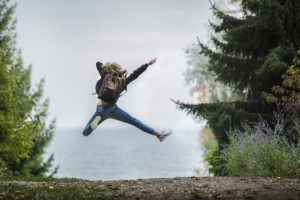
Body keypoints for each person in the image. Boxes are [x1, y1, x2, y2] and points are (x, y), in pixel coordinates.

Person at [82, 58, 171, 142]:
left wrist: (107, 66)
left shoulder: (105, 74)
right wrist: (148, 64)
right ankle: (159, 135)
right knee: (134, 122)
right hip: (113, 110)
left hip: (101, 109)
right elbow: (135, 74)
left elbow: (98, 64)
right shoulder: (122, 81)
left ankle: (92, 127)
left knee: (85, 133)